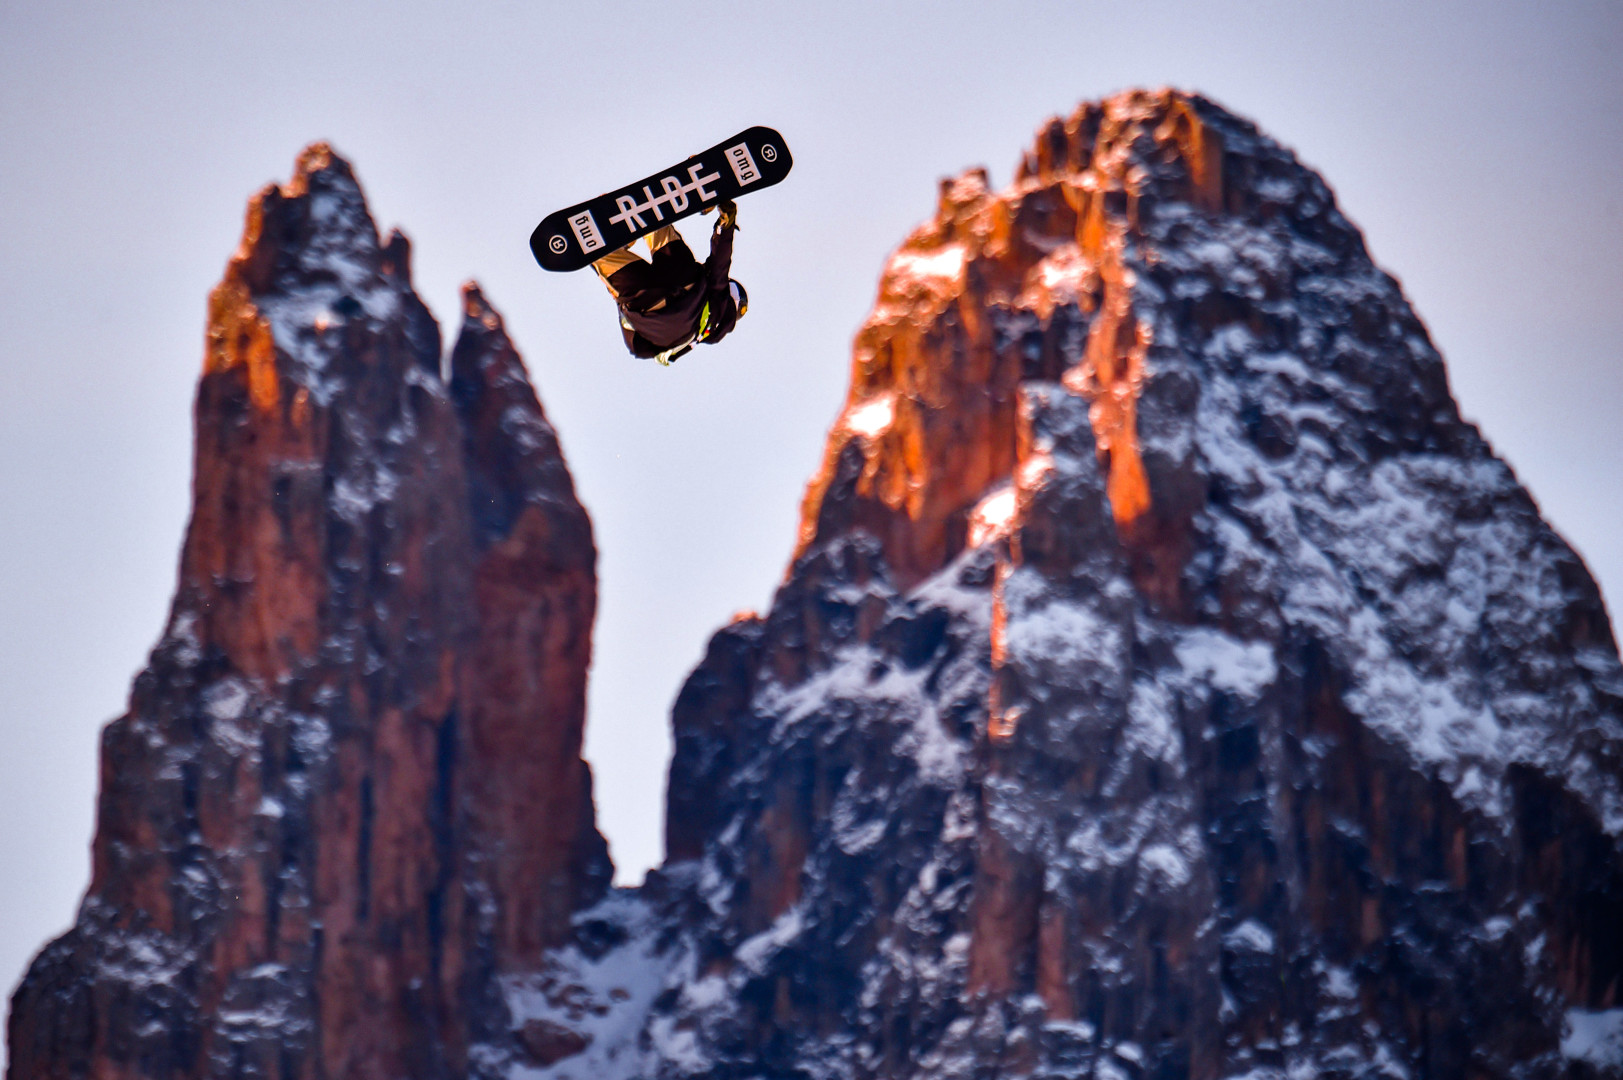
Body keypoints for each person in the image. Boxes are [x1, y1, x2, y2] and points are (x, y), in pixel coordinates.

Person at [590, 199, 747, 366]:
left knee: (661, 235)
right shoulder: (682, 345)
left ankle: (644, 213)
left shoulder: (719, 301)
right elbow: (637, 347)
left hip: (682, 278)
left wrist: (725, 225)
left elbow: (719, 265)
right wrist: (624, 308)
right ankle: (600, 250)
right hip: (649, 307)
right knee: (602, 258)